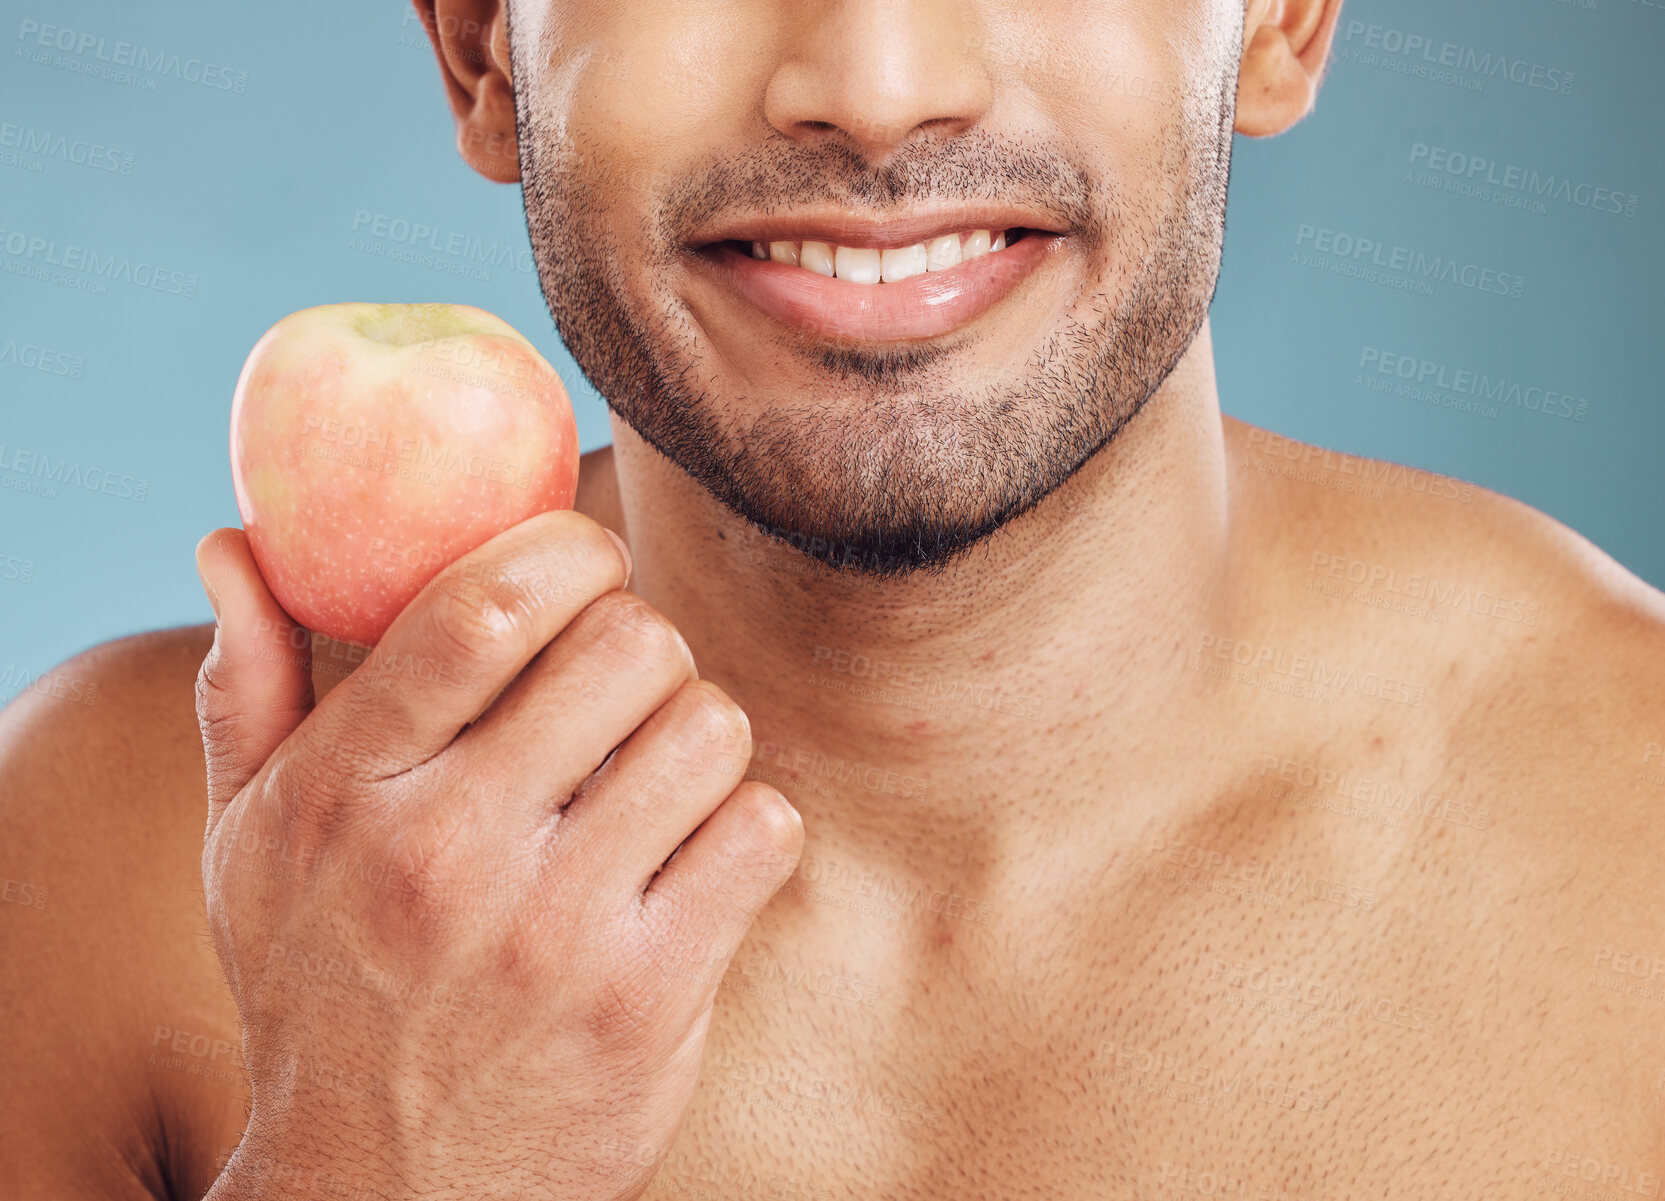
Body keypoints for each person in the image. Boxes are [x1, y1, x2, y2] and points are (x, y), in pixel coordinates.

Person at [5, 0, 1663, 1196]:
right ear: (479, 45)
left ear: (1282, 20)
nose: (876, 85)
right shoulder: (98, 867)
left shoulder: (1632, 849)